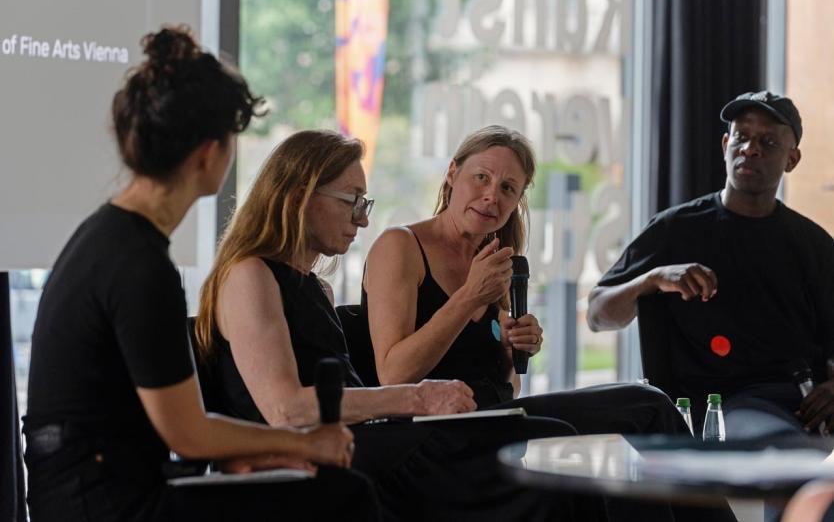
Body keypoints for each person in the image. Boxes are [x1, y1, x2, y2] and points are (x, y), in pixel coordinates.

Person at [22, 26, 377, 522]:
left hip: (89, 488)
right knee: (347, 495)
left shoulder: (110, 236)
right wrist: (307, 444)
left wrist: (260, 452)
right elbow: (187, 434)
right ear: (209, 153)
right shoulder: (140, 263)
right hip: (104, 503)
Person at [195, 128, 600, 521]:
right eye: (352, 201)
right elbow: (287, 409)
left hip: (361, 445)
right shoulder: (250, 275)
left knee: (562, 452)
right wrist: (417, 399)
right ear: (301, 196)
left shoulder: (317, 289)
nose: (362, 220)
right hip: (313, 462)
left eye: (364, 204)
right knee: (552, 464)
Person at [363, 125, 738, 522]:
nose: (492, 195)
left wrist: (510, 353)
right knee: (578, 446)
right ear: (453, 173)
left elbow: (508, 388)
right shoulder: (401, 245)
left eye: (508, 188)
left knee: (648, 405)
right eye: (481, 177)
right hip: (430, 438)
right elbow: (393, 374)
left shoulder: (493, 258)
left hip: (496, 418)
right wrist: (469, 297)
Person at [587, 90, 834, 441]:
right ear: (725, 145)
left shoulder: (813, 245)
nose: (750, 149)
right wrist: (652, 279)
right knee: (773, 441)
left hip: (797, 403)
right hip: (716, 408)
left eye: (767, 142)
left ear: (791, 159)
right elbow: (597, 314)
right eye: (741, 137)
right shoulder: (674, 229)